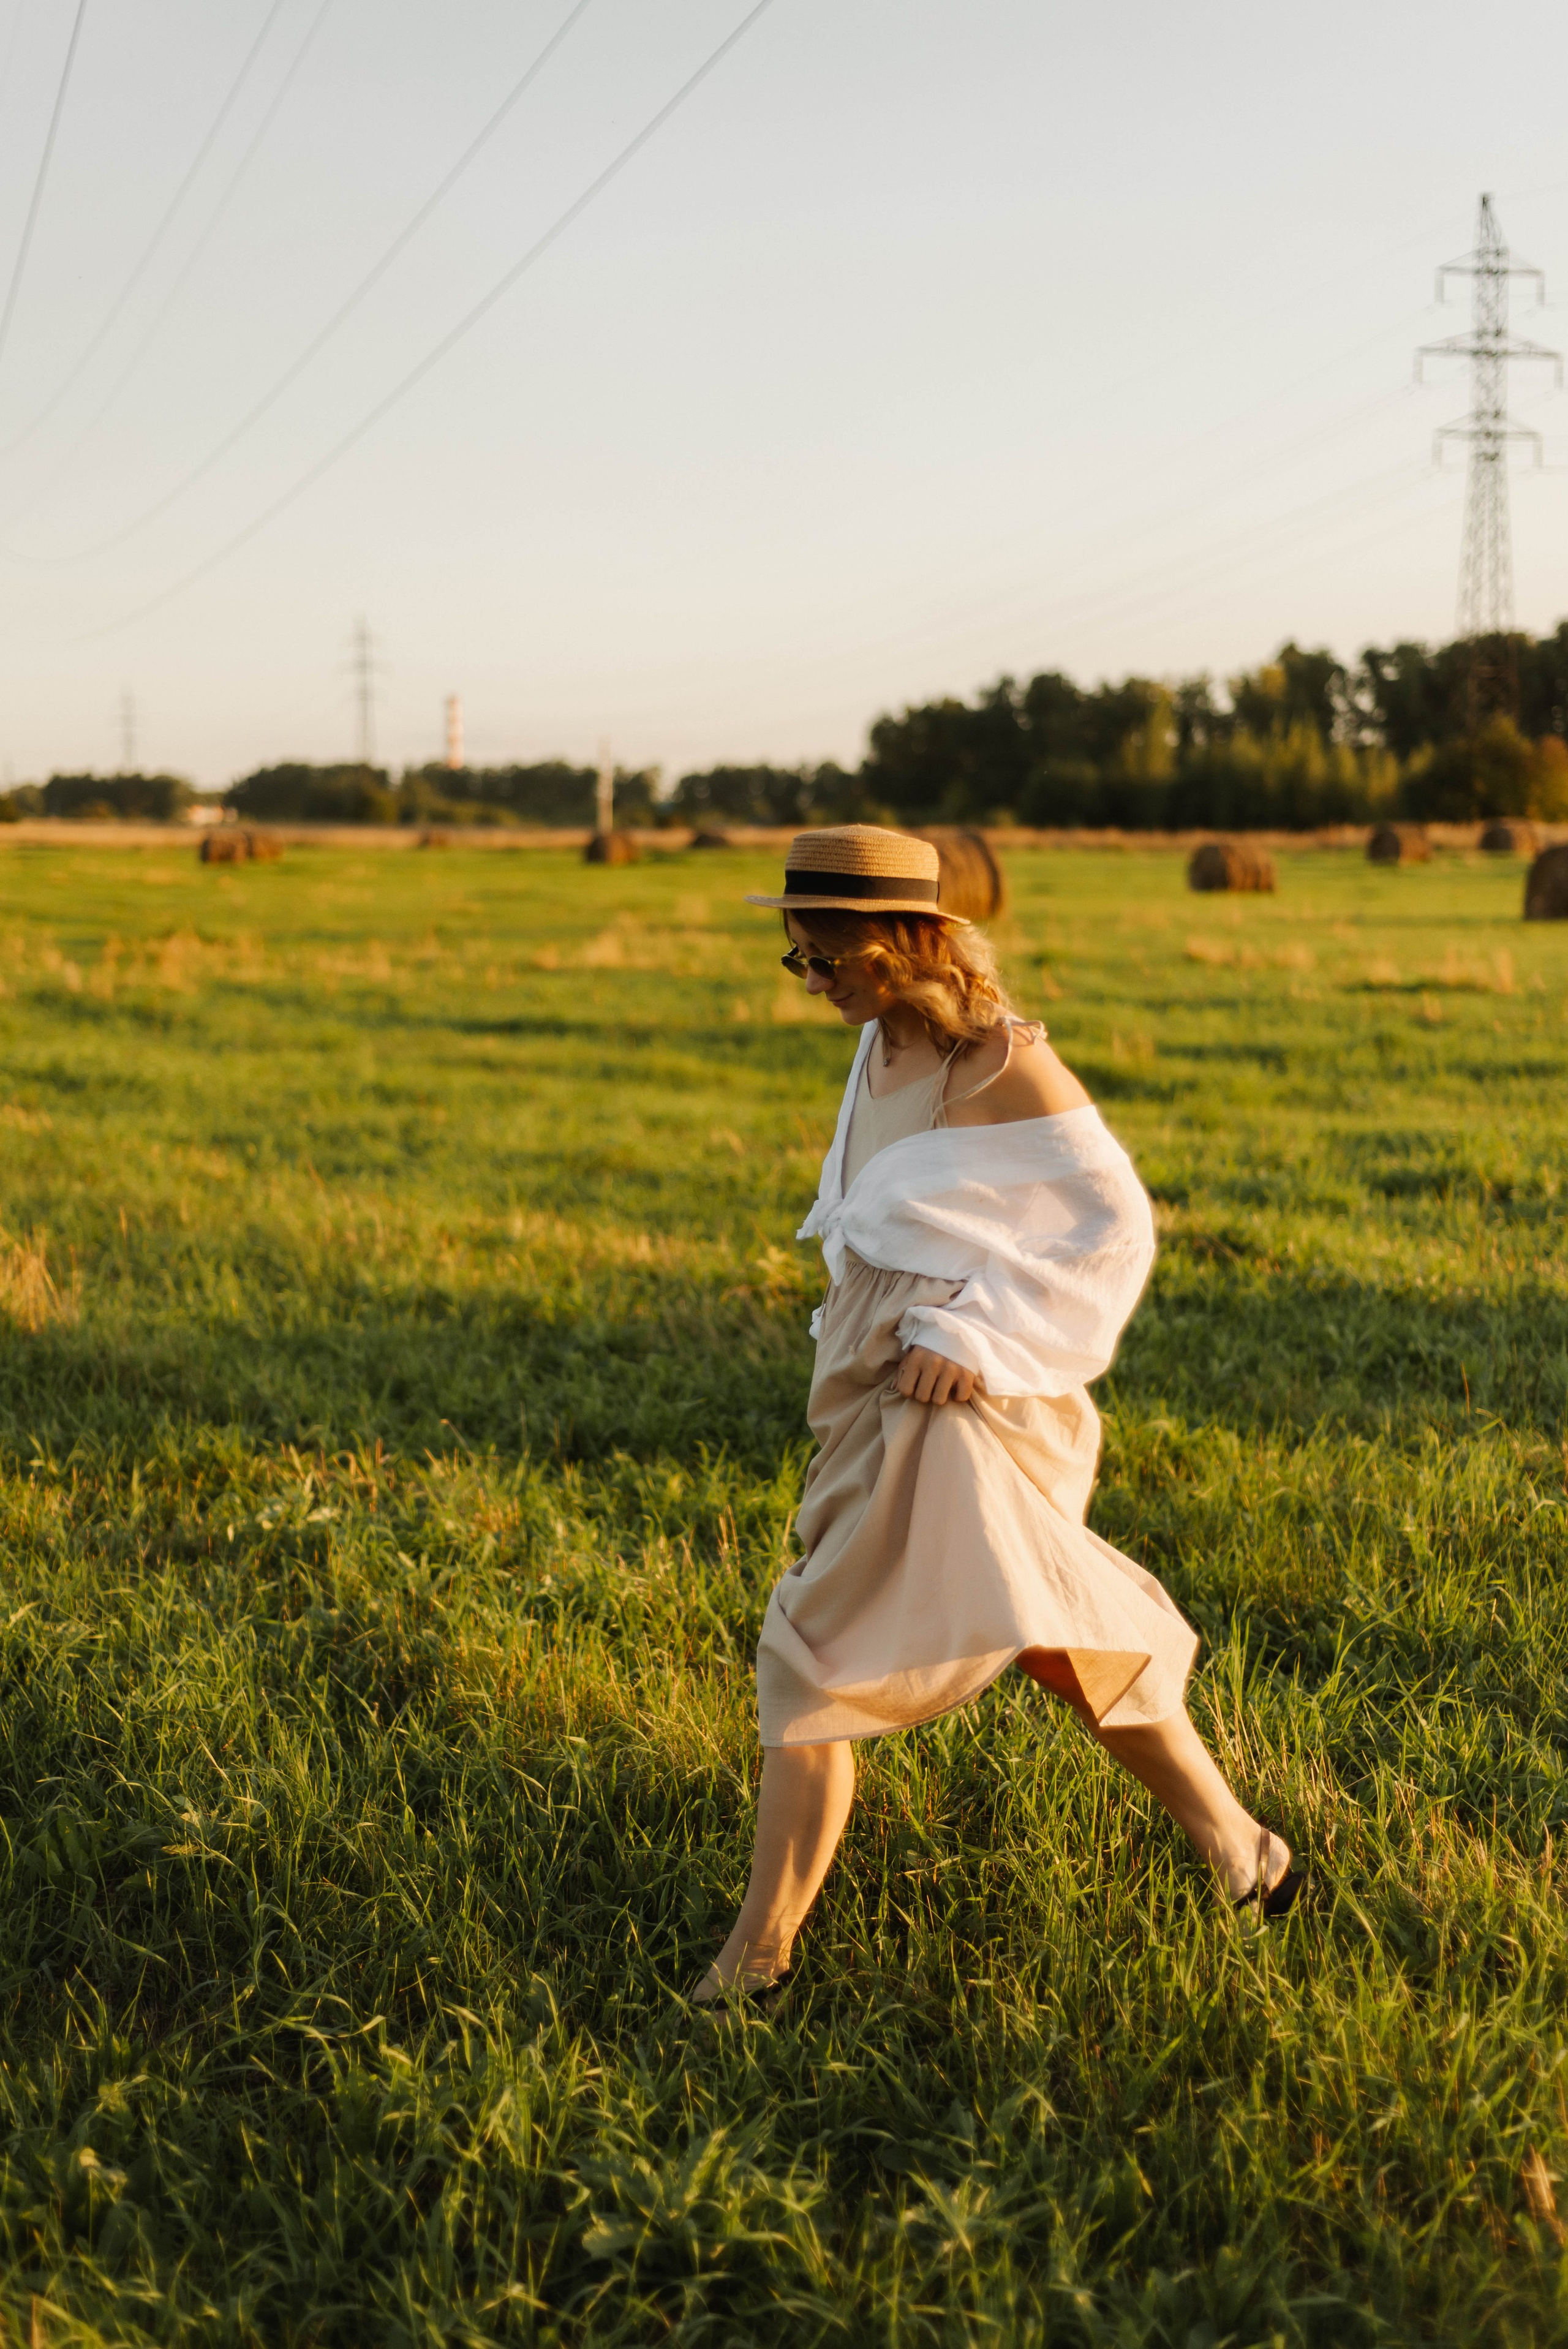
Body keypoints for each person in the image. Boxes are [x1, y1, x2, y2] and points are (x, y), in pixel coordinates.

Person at [693, 825, 1302, 2010]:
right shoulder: (878, 1043)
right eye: (797, 957)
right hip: (873, 1382)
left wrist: (973, 1337)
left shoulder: (999, 1062)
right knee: (1051, 1635)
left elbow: (1114, 1228)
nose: (811, 981)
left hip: (951, 1394)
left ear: (907, 939)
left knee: (806, 1655)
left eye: (829, 957)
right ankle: (1245, 1848)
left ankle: (752, 1967)